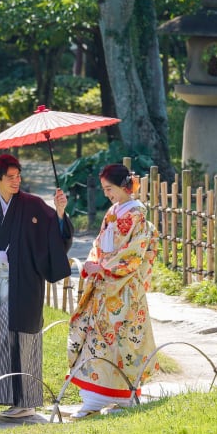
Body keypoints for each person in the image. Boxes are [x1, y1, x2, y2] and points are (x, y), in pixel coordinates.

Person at [0, 153, 72, 419]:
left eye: (18, 176)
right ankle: (8, 400)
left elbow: (55, 239)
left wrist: (59, 213)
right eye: (10, 177)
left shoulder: (34, 206)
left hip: (26, 285)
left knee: (24, 339)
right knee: (2, 338)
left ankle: (6, 401)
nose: (16, 181)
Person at [66, 164, 159, 419]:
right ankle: (94, 399)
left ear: (124, 186)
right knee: (96, 340)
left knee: (123, 342)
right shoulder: (112, 211)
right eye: (106, 189)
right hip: (103, 285)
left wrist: (104, 267)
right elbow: (99, 244)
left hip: (124, 285)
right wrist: (92, 264)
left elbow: (134, 254)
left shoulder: (138, 214)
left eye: (110, 189)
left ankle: (125, 396)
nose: (108, 194)